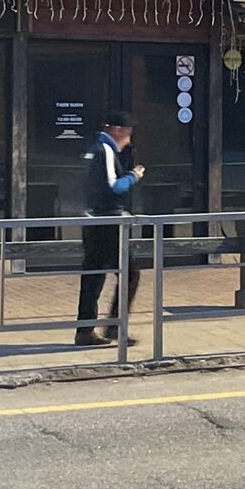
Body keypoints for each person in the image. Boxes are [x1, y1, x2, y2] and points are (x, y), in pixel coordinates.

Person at [75, 111, 146, 347]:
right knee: (130, 274)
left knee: (93, 275)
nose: (129, 140)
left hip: (94, 220)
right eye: (128, 134)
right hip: (108, 222)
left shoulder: (93, 148)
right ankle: (114, 327)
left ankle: (85, 330)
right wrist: (133, 176)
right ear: (117, 131)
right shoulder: (105, 150)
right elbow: (113, 186)